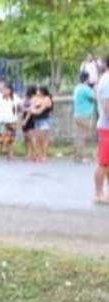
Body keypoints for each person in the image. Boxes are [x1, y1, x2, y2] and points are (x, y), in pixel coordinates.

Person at [94, 56, 109, 204]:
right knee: (104, 162)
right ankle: (99, 194)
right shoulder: (107, 81)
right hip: (106, 128)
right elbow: (107, 108)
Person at [73, 72, 96, 163]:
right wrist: (94, 88)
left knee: (78, 136)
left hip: (77, 114)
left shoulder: (77, 87)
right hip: (85, 115)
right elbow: (94, 98)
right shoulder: (86, 89)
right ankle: (82, 157)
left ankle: (77, 156)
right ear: (87, 79)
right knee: (83, 137)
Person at [0, 83, 19, 160]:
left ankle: (10, 155)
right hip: (0, 120)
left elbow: (19, 107)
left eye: (6, 89)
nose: (4, 91)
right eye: (4, 89)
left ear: (10, 90)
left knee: (10, 138)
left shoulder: (15, 97)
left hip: (11, 120)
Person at [31, 86, 54, 163]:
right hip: (36, 120)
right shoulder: (35, 98)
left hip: (44, 120)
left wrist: (35, 110)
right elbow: (32, 109)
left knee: (43, 138)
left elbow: (39, 111)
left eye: (38, 90)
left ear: (42, 91)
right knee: (37, 138)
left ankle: (44, 155)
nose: (37, 92)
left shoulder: (47, 98)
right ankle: (38, 155)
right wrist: (34, 109)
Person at [21, 86, 37, 162]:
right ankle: (28, 154)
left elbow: (30, 111)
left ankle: (35, 154)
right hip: (24, 117)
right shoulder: (25, 99)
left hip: (30, 119)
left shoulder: (33, 99)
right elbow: (22, 108)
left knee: (31, 137)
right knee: (26, 138)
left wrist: (25, 120)